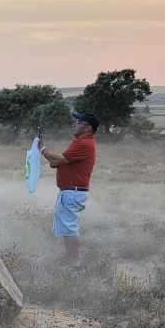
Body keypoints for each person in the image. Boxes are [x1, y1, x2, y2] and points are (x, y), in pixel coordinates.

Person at [39, 112, 98, 268]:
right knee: (67, 228)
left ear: (87, 127)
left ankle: (75, 264)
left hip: (73, 191)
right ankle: (70, 260)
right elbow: (59, 161)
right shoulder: (80, 142)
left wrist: (42, 149)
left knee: (70, 228)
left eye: (78, 122)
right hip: (71, 191)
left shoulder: (83, 144)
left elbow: (57, 160)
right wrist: (56, 160)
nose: (74, 124)